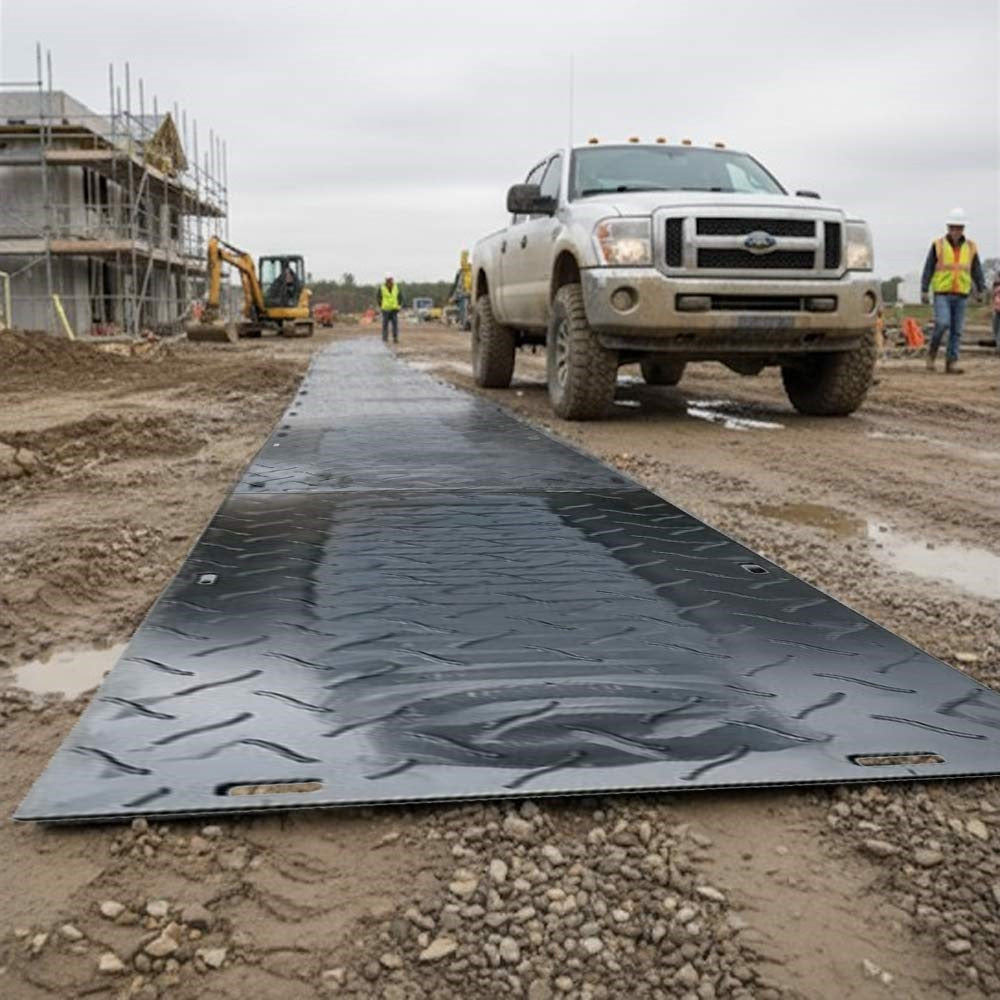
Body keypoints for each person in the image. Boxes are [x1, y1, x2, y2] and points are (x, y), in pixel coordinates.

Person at [920, 208, 986, 374]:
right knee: (942, 323)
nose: (956, 231)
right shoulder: (938, 245)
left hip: (962, 294)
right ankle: (932, 353)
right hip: (942, 293)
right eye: (953, 227)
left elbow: (976, 270)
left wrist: (981, 289)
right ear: (948, 227)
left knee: (957, 331)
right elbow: (928, 268)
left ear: (963, 228)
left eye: (959, 228)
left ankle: (951, 362)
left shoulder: (971, 247)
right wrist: (924, 289)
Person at [377, 274, 402, 344]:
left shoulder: (396, 287)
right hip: (385, 309)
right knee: (385, 325)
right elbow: (378, 297)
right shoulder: (382, 288)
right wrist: (381, 305)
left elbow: (400, 297)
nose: (389, 281)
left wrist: (399, 306)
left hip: (394, 309)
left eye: (390, 280)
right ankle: (385, 338)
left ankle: (395, 338)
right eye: (388, 280)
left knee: (395, 325)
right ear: (386, 280)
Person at [992, 274, 1000, 355]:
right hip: (996, 309)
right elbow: (994, 297)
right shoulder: (996, 285)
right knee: (995, 329)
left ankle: (998, 348)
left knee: (998, 330)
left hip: (997, 309)